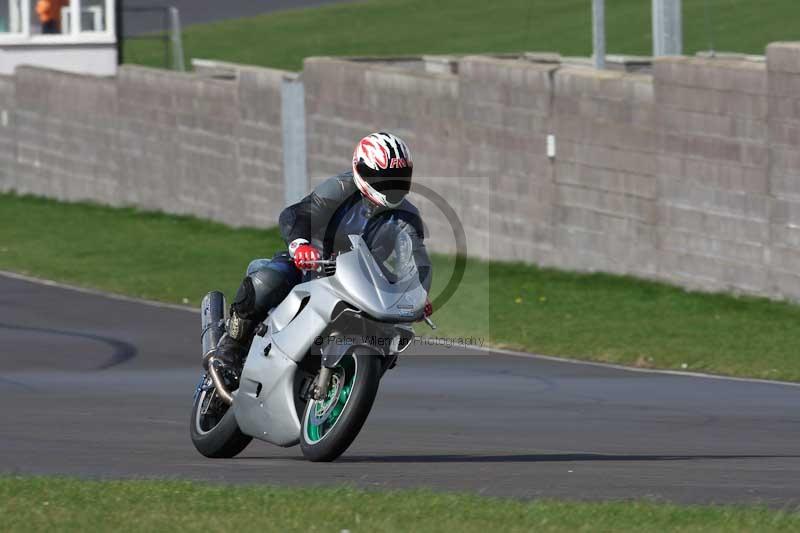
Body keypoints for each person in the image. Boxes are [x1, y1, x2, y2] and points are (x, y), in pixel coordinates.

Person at [213, 132, 434, 374]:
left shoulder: (406, 218)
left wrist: (416, 294)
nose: (393, 187)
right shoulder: (341, 188)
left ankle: (352, 379)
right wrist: (300, 244)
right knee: (269, 279)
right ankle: (231, 345)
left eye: (399, 179)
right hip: (311, 267)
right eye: (385, 178)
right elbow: (301, 213)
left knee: (395, 333)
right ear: (362, 171)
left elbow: (415, 259)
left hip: (362, 285)